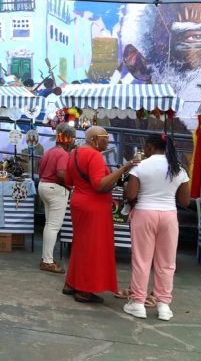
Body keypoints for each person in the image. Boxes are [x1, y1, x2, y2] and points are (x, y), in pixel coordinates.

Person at [63, 126, 135, 303]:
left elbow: (67, 180)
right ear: (94, 138)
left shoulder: (74, 153)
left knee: (81, 244)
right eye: (105, 137)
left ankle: (71, 283)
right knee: (93, 248)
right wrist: (123, 169)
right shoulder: (95, 155)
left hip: (78, 201)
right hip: (94, 205)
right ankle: (84, 291)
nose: (108, 141)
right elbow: (99, 185)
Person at [122, 134, 190, 320]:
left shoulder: (141, 166)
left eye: (146, 147)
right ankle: (163, 306)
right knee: (167, 262)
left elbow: (131, 195)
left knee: (142, 260)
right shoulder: (179, 169)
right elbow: (185, 201)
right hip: (169, 215)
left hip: (144, 213)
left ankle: (137, 303)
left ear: (151, 147)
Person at [37, 123, 76, 274]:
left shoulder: (50, 151)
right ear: (67, 139)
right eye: (71, 138)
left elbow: (40, 170)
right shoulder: (63, 154)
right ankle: (47, 261)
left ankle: (46, 258)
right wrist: (70, 186)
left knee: (49, 225)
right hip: (55, 189)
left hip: (44, 186)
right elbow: (61, 174)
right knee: (53, 226)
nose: (73, 141)